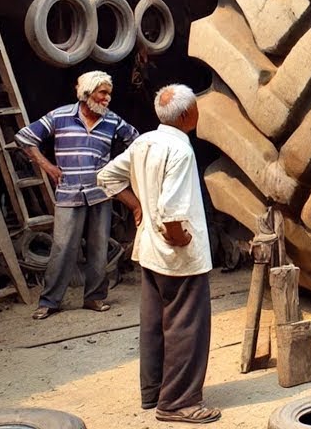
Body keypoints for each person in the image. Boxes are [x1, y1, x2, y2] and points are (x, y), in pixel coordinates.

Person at [98, 84, 220, 423]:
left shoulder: (144, 142)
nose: (198, 112)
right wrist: (178, 239)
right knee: (186, 328)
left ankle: (153, 393)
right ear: (185, 116)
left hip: (149, 251)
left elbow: (107, 176)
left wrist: (137, 206)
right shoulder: (181, 151)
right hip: (176, 257)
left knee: (154, 325)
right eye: (195, 108)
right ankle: (178, 403)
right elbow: (172, 212)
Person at [16, 70, 139, 320]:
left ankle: (94, 297)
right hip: (69, 193)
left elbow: (137, 143)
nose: (107, 99)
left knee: (98, 247)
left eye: (109, 94)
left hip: (100, 193)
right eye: (102, 93)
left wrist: (119, 171)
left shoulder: (113, 121)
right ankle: (49, 301)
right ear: (86, 94)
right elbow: (24, 138)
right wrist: (47, 165)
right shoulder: (60, 116)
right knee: (62, 248)